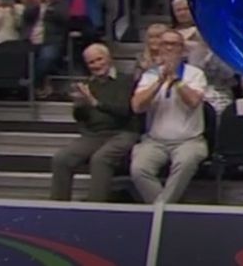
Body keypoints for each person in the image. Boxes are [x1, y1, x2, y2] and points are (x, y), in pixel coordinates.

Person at [50, 44, 140, 201]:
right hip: (94, 134)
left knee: (100, 159)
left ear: (109, 58)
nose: (96, 65)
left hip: (123, 132)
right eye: (91, 62)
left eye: (99, 59)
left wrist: (95, 103)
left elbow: (125, 111)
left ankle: (95, 206)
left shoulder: (126, 81)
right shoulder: (88, 85)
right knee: (61, 159)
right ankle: (58, 205)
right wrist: (79, 106)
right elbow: (82, 118)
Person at [129, 29, 208, 204]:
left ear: (182, 50)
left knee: (185, 163)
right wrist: (159, 82)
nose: (170, 48)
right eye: (166, 44)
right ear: (160, 48)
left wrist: (177, 81)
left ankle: (161, 211)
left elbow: (194, 101)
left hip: (189, 141)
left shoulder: (195, 74)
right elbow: (137, 106)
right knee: (139, 168)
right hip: (154, 141)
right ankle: (166, 209)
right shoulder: (149, 76)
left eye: (175, 44)